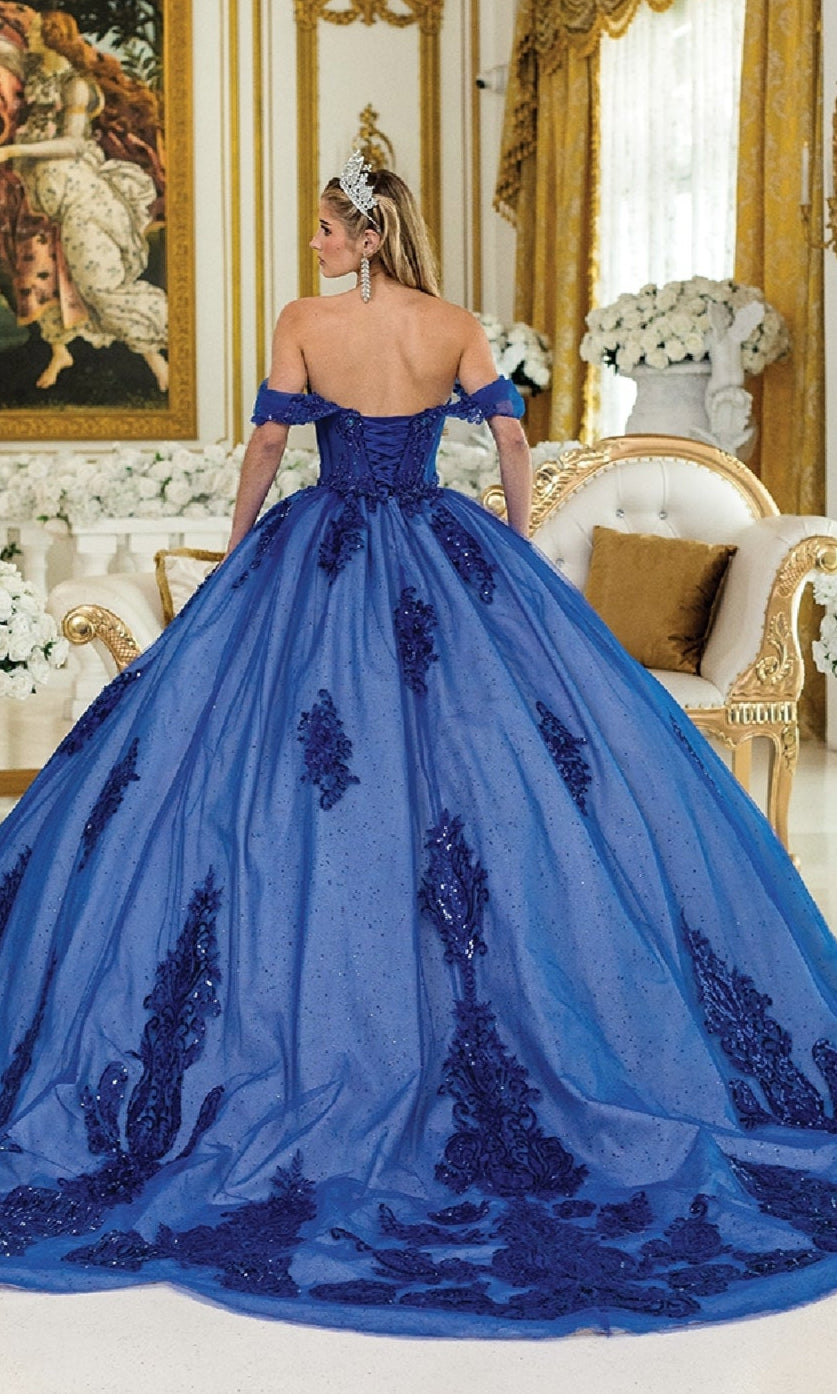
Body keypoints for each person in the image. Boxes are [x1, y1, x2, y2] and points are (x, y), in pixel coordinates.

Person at [3, 156, 837, 1341]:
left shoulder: (306, 322)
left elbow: (264, 452)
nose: (315, 242)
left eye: (325, 226)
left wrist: (236, 551)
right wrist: (511, 538)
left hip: (318, 552)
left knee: (271, 782)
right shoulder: (454, 325)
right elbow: (512, 443)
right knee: (481, 780)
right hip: (444, 550)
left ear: (364, 232)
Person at [0, 8, 167, 391]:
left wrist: (13, 152)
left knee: (98, 285)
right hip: (42, 198)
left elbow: (73, 144)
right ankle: (61, 351)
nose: (31, 36)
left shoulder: (76, 85)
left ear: (54, 38)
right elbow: (7, 54)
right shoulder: (39, 75)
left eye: (38, 32)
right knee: (36, 274)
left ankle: (159, 362)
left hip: (79, 197)